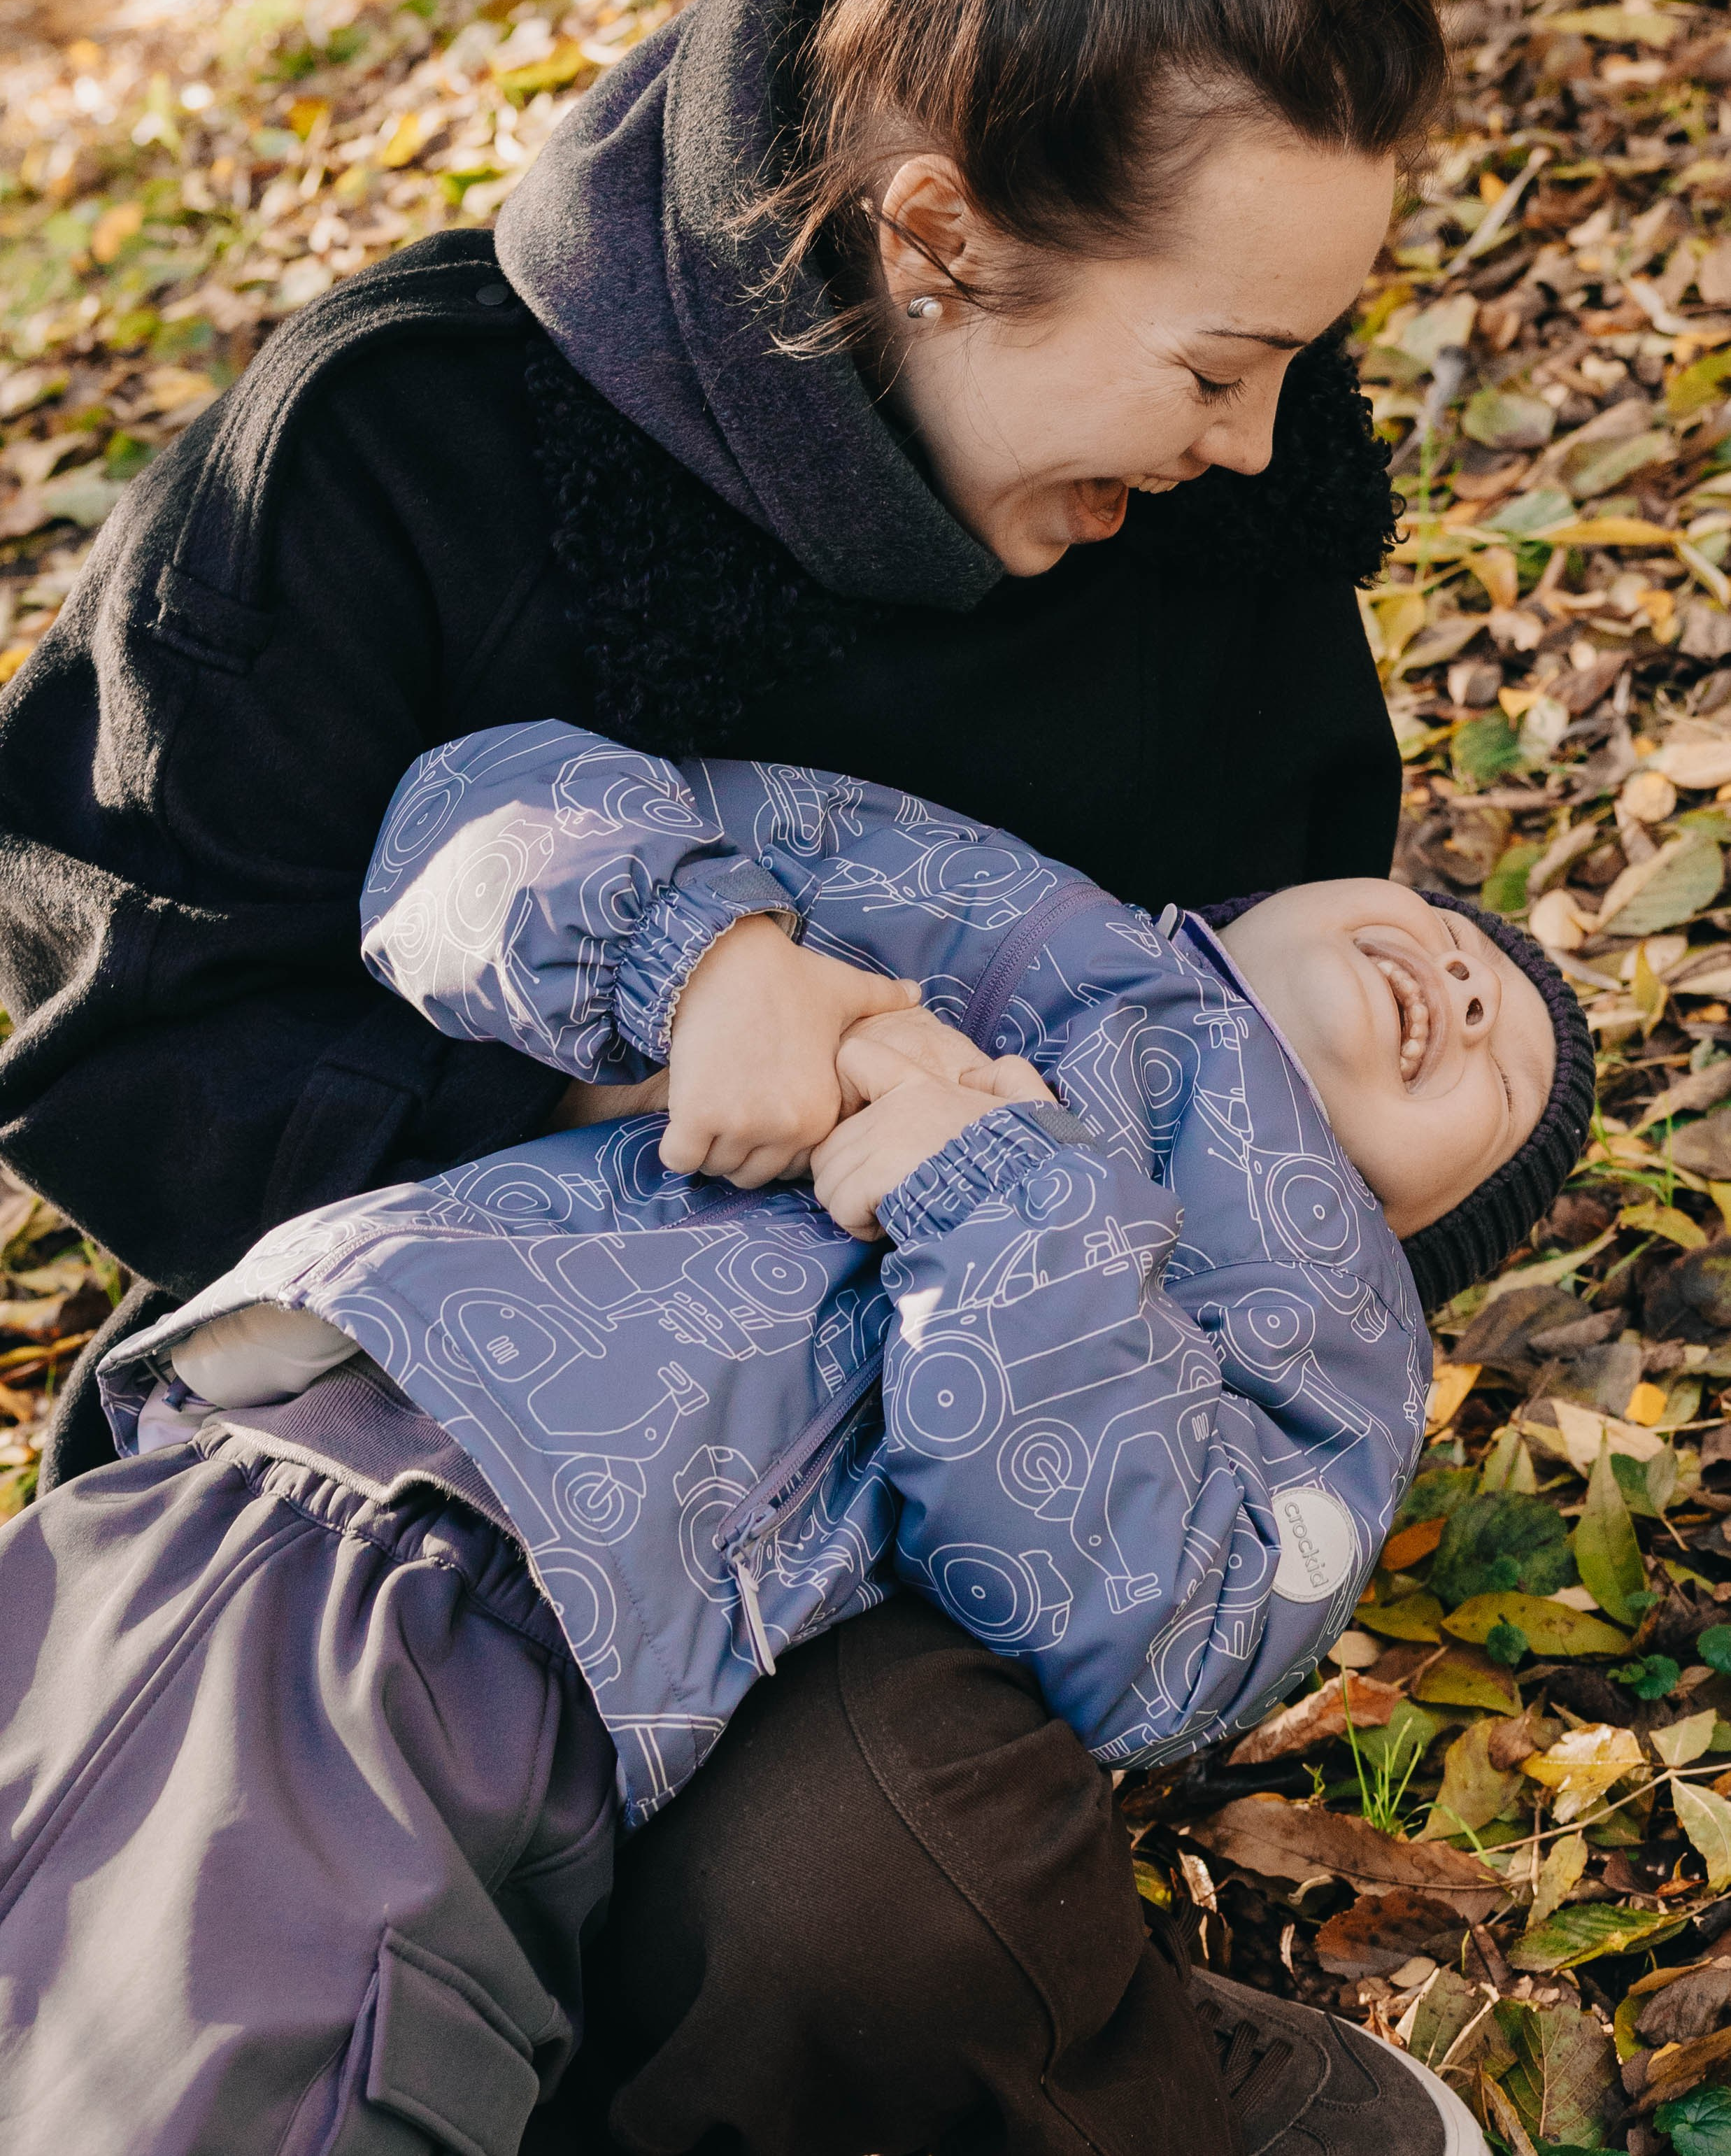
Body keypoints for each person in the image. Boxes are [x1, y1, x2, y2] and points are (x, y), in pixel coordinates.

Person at [0, 0, 1455, 2155]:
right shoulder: (392, 443)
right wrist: (636, 1100)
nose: (1245, 446)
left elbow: (1252, 990)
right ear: (930, 242)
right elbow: (110, 1004)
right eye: (1214, 368)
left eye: (1290, 366)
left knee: (847, 1909)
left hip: (944, 1456)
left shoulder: (1219, 513)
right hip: (428, 1408)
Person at [0, 721, 1595, 2156]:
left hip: (529, 1627)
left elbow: (1143, 1641)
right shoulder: (984, 896)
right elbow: (470, 814)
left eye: (1501, 1062)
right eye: (1460, 936)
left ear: (1422, 1235)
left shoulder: (1323, 1349)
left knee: (231, 2065)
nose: (1462, 983)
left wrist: (1005, 1204)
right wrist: (707, 956)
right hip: (250, 1444)